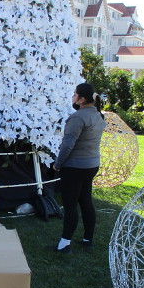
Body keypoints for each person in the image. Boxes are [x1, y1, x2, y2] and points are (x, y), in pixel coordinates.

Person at [51, 83, 107, 254]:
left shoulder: (78, 117)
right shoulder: (98, 115)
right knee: (86, 201)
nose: (73, 97)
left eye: (75, 94)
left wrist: (58, 164)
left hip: (75, 167)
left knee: (70, 205)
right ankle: (88, 239)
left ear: (82, 99)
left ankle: (64, 244)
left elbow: (67, 145)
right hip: (92, 165)